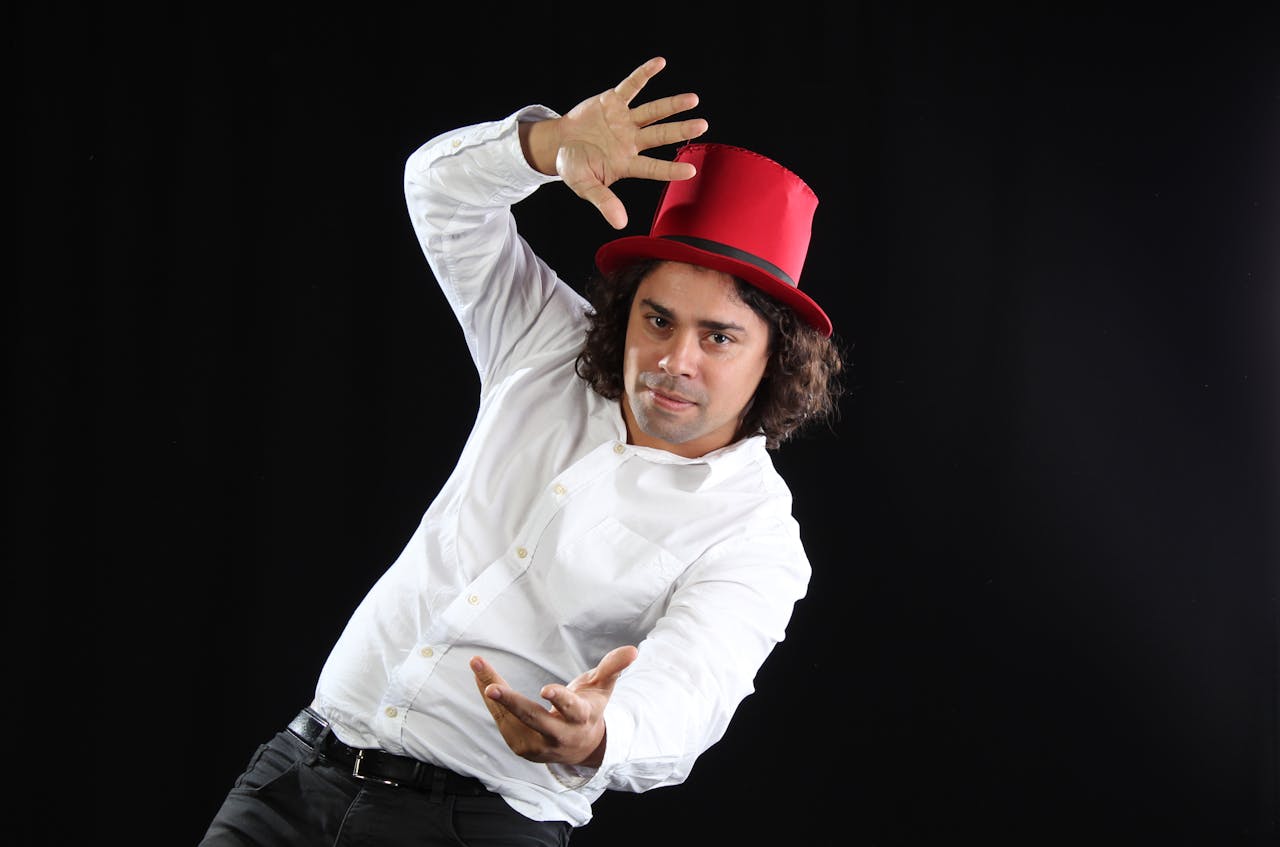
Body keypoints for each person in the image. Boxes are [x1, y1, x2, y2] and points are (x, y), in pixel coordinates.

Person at [199, 55, 844, 846]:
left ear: (775, 359)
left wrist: (601, 731)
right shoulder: (547, 345)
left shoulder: (757, 533)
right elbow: (439, 194)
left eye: (719, 337)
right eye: (659, 320)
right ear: (627, 312)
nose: (677, 359)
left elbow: (692, 686)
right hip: (294, 777)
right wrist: (544, 146)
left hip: (473, 824)